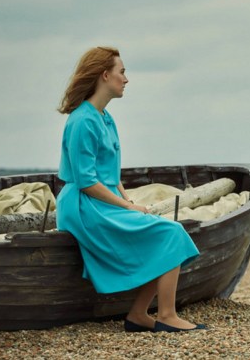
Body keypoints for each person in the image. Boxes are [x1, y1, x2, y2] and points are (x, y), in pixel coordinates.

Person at [56, 46, 205, 332]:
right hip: (83, 208)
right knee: (170, 232)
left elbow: (107, 173)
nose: (126, 79)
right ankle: (167, 316)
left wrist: (128, 199)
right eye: (122, 72)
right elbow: (86, 181)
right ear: (104, 75)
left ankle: (138, 315)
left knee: (158, 235)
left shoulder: (104, 117)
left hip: (101, 202)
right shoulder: (83, 121)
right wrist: (125, 207)